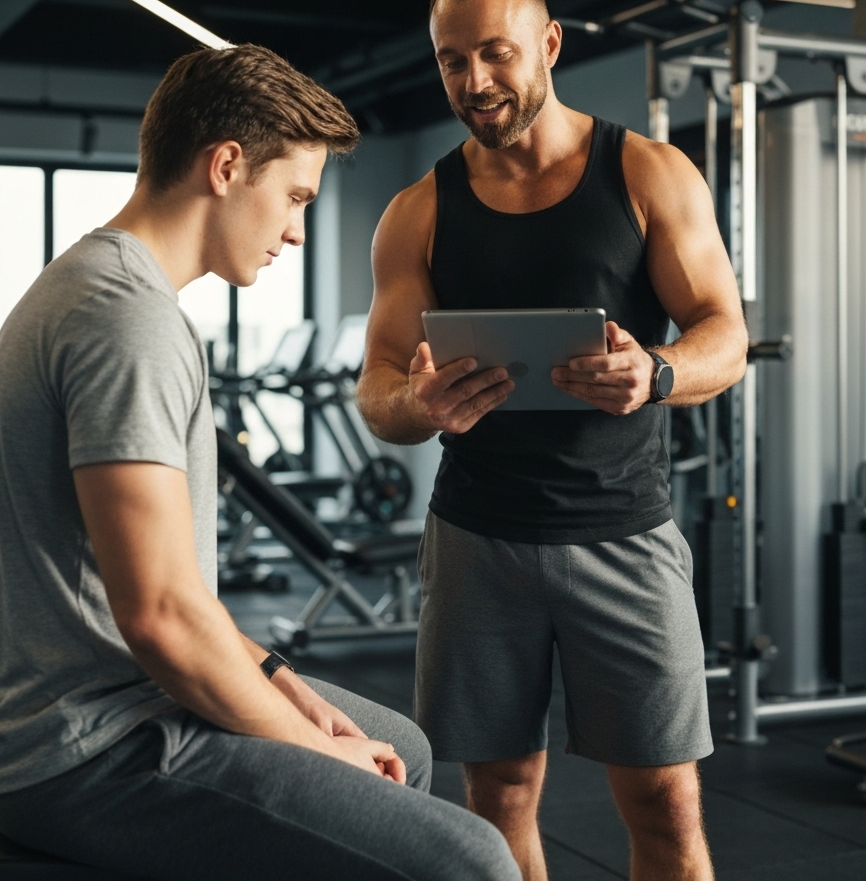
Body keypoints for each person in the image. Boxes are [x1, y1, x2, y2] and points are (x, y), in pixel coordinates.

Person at [0, 43, 520, 881]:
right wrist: (315, 749)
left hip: (114, 701)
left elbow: (175, 593)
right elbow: (163, 618)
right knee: (475, 862)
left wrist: (289, 685)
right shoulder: (123, 320)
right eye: (294, 197)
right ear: (227, 166)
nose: (296, 230)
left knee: (404, 749)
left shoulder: (112, 289)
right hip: (83, 746)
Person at [356, 0, 749, 881]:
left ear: (550, 44)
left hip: (625, 533)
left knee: (666, 804)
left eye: (496, 53)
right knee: (497, 798)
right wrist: (415, 404)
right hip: (477, 541)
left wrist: (654, 372)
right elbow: (375, 389)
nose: (474, 81)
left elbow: (726, 335)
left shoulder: (649, 173)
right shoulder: (417, 211)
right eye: (453, 60)